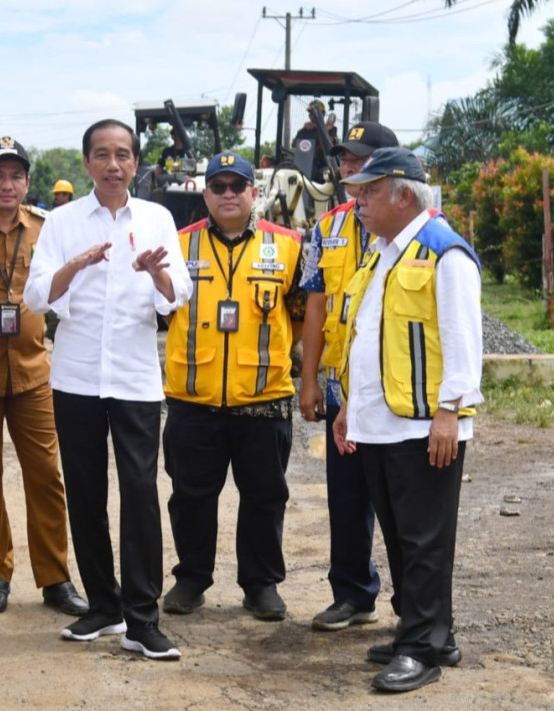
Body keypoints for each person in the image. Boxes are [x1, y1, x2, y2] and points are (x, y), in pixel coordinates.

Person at [23, 118, 191, 660]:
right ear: (87, 163)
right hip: (74, 377)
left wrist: (155, 275)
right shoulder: (63, 222)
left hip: (136, 379)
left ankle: (144, 618)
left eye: (123, 154)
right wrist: (74, 266)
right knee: (86, 492)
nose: (113, 164)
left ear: (136, 163)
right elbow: (35, 298)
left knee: (140, 494)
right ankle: (103, 606)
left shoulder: (158, 217)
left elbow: (177, 294)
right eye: (102, 154)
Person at [331, 147, 482, 693]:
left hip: (424, 425)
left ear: (402, 194)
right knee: (399, 537)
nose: (357, 200)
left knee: (424, 540)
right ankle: (425, 632)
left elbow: (464, 338)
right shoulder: (382, 253)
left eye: (368, 192)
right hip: (379, 422)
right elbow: (364, 336)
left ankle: (423, 649)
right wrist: (350, 405)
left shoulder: (444, 251)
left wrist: (450, 411)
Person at [159, 151, 303, 622]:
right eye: (217, 187)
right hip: (192, 397)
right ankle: (191, 578)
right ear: (204, 194)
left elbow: (300, 315)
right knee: (190, 495)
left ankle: (261, 585)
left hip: (262, 400)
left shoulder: (288, 246)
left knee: (264, 496)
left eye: (236, 186)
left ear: (253, 193)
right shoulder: (178, 246)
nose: (226, 194)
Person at [0, 137, 87, 619]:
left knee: (46, 476)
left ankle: (56, 576)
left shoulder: (44, 228)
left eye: (16, 175)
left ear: (27, 183)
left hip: (35, 372)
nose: (7, 184)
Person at [296, 121, 401, 633]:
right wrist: (309, 378)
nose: (348, 168)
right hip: (342, 389)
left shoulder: (414, 226)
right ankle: (354, 593)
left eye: (360, 159)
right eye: (344, 160)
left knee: (402, 502)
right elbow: (314, 308)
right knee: (347, 496)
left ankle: (414, 607)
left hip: (397, 392)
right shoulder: (327, 229)